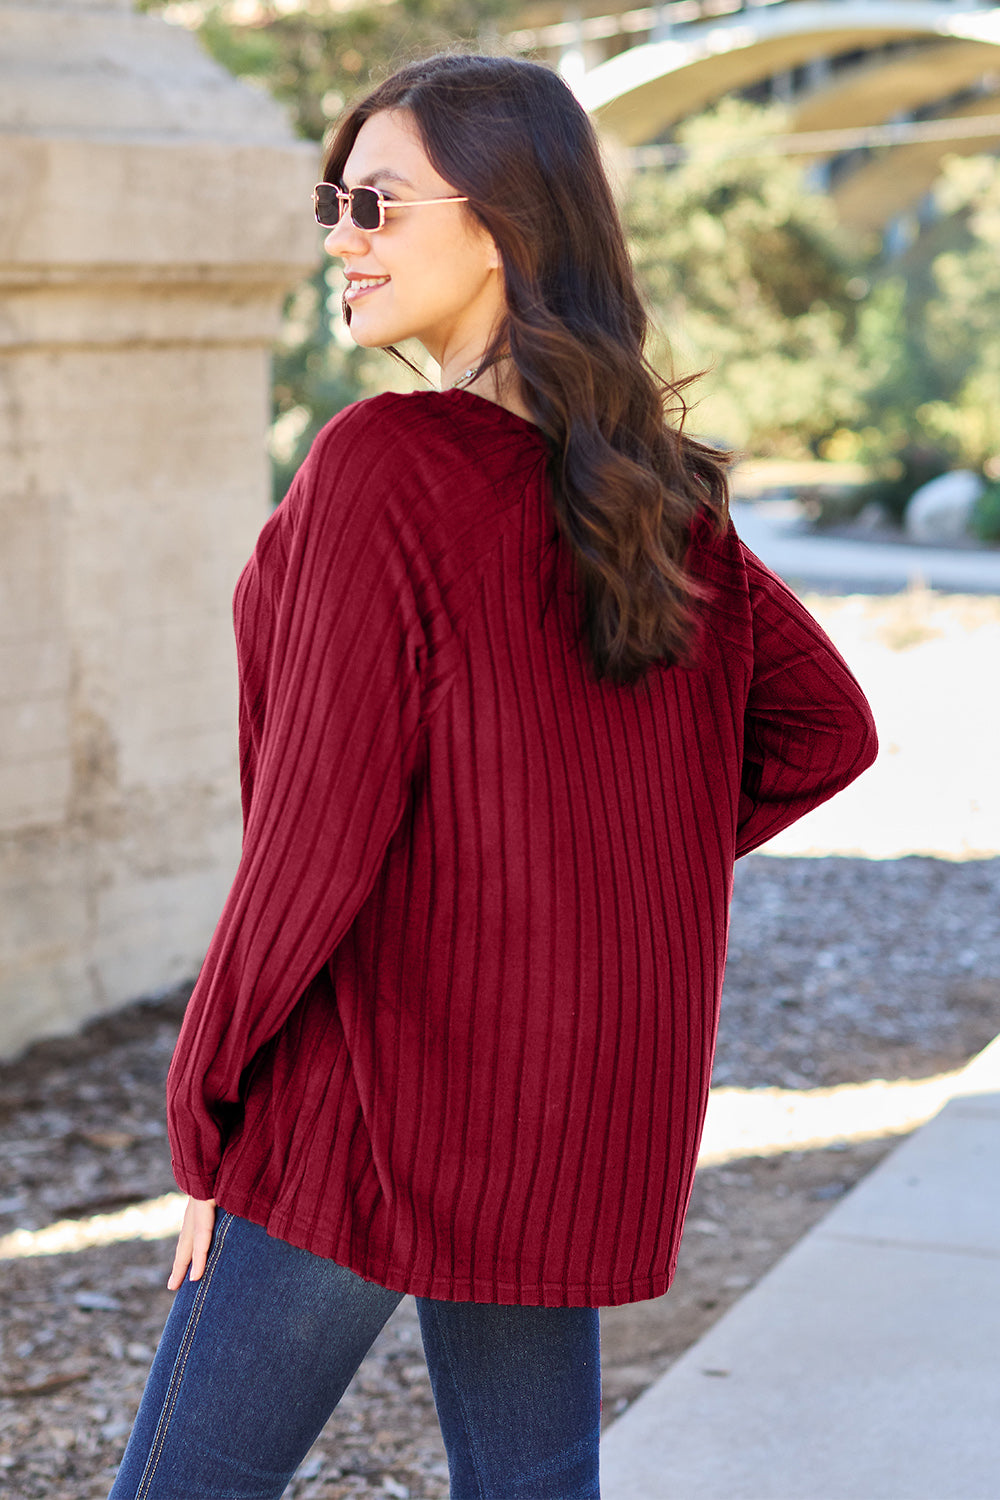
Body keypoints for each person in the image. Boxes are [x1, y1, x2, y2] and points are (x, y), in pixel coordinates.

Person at [109, 52, 877, 1500]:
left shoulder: (385, 464)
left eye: (379, 203)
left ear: (507, 221)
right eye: (337, 202)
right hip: (554, 1111)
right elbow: (822, 731)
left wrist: (204, 1108)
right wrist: (577, 887)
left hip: (366, 1105)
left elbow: (312, 843)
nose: (342, 236)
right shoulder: (653, 492)